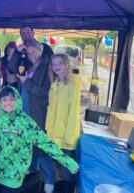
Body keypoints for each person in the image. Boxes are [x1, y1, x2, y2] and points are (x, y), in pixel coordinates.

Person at [0, 86, 79, 193]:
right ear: (0, 102)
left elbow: (46, 143)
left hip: (14, 176)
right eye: (4, 99)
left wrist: (69, 162)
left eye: (11, 99)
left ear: (18, 100)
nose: (8, 103)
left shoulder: (26, 122)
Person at [16, 40, 55, 193]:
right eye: (29, 52)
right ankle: (31, 167)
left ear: (41, 52)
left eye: (34, 52)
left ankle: (50, 179)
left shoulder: (47, 68)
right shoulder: (32, 65)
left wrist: (26, 81)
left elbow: (44, 93)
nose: (31, 55)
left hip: (38, 113)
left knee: (41, 147)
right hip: (26, 111)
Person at [45, 53, 81, 193]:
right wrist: (48, 130)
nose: (57, 67)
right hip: (54, 134)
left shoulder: (74, 83)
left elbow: (73, 112)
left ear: (67, 65)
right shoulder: (54, 84)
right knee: (57, 166)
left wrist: (69, 137)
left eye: (60, 63)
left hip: (66, 136)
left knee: (67, 171)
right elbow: (51, 108)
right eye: (54, 64)